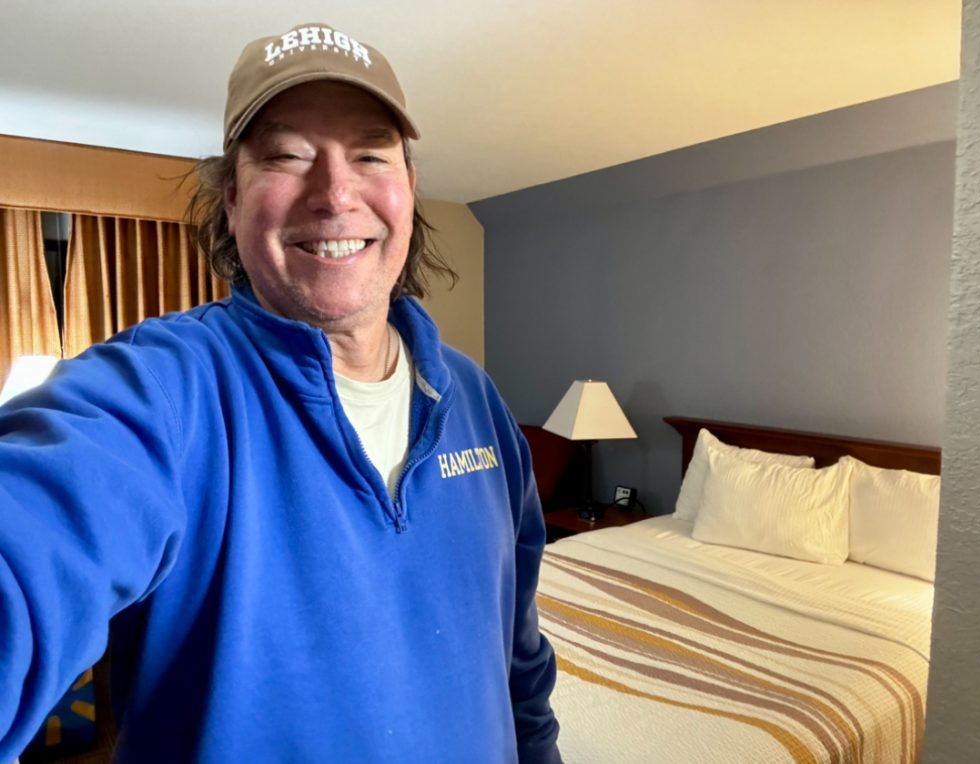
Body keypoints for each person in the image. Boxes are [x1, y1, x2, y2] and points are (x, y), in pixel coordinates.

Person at [0, 21, 561, 763]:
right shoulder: (162, 392)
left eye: (370, 154)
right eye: (288, 156)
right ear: (232, 199)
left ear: (409, 187)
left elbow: (519, 661)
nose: (335, 193)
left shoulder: (475, 397)